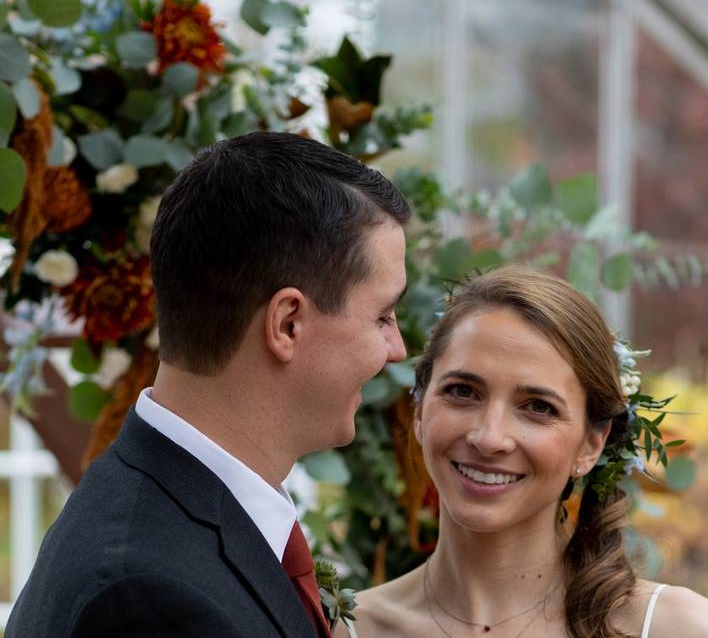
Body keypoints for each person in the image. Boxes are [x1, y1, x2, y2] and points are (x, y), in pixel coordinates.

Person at [6, 132, 410, 637]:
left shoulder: (158, 508)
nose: (398, 349)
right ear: (287, 324)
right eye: (384, 315)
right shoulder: (150, 600)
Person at [346, 265, 708, 638]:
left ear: (591, 444)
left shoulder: (674, 629)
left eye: (538, 407)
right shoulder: (345, 628)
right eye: (463, 391)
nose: (489, 437)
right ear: (419, 409)